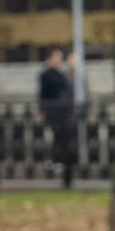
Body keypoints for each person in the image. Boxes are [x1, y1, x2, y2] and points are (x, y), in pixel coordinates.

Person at [37, 45, 76, 185]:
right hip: (52, 112)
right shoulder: (45, 75)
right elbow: (42, 95)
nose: (60, 60)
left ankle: (60, 160)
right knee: (51, 136)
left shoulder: (62, 75)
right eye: (57, 57)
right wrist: (42, 110)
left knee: (62, 137)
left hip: (62, 113)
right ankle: (50, 160)